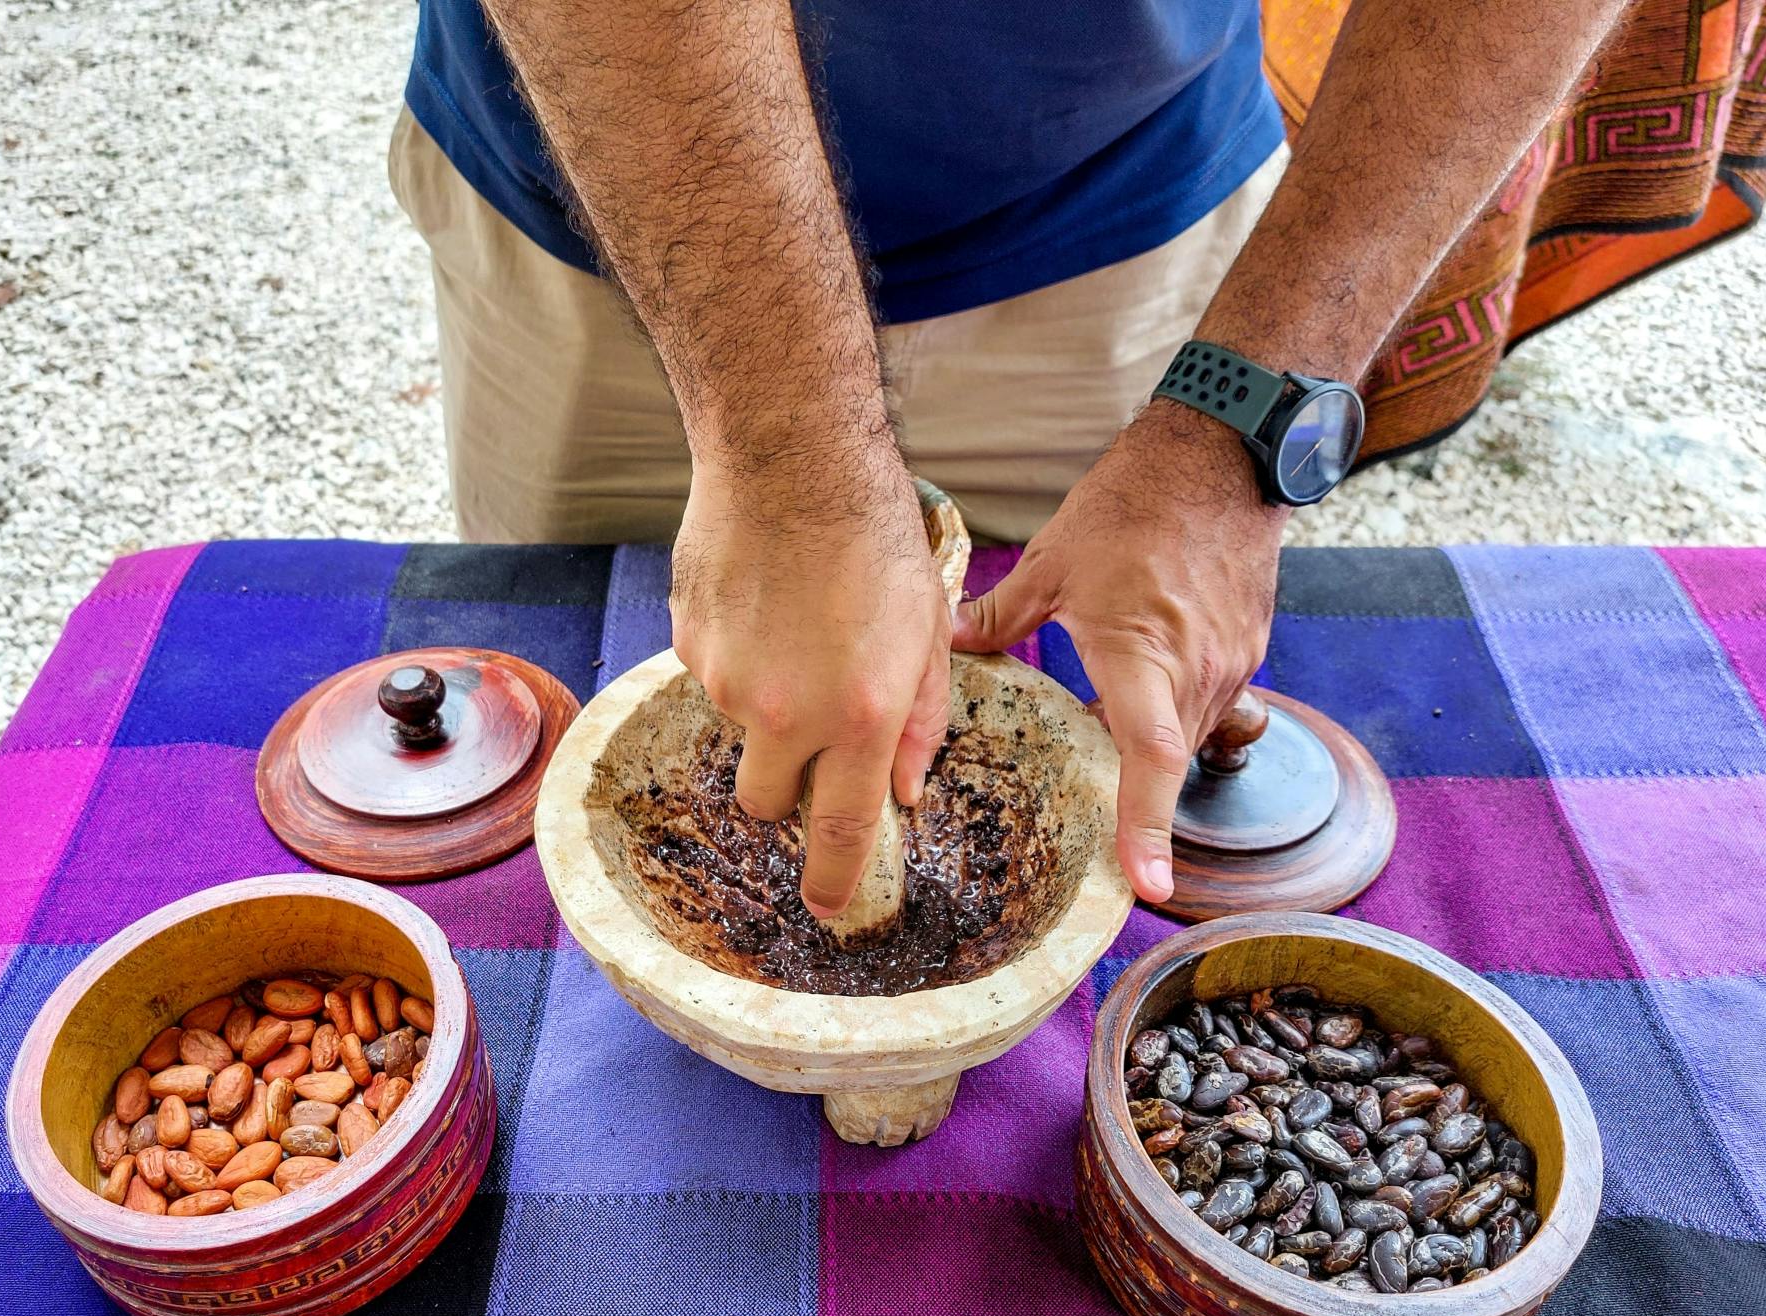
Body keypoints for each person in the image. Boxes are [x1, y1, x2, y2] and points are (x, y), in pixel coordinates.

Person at [389, 0, 1629, 922]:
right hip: (620, 198)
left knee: (1105, 716)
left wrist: (1233, 423)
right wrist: (786, 462)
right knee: (555, 703)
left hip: (1119, 222)